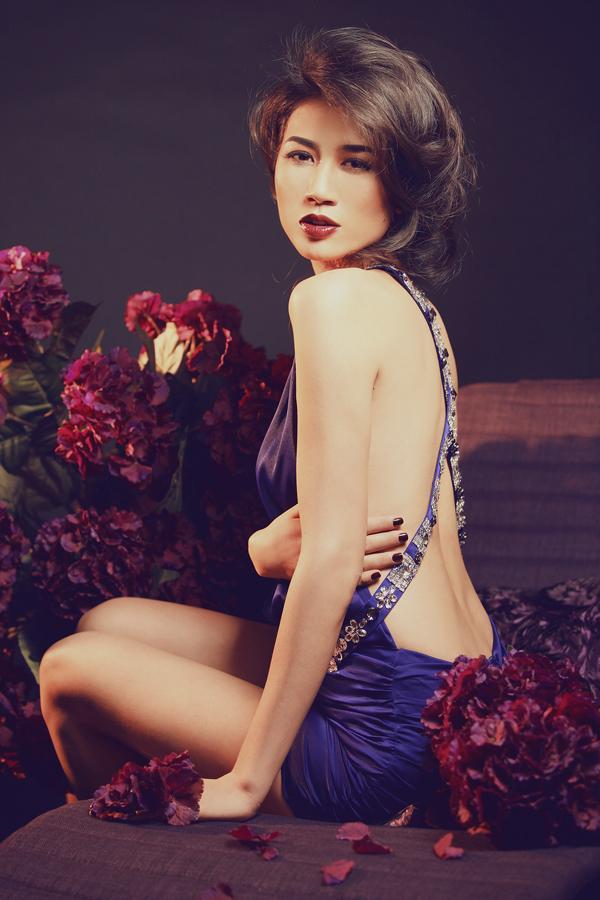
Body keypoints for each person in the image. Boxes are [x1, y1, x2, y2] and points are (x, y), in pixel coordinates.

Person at [39, 24, 507, 825]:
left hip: (381, 729)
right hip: (455, 691)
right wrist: (265, 550)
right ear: (274, 171)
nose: (320, 187)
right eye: (301, 155)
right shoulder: (412, 308)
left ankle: (136, 858)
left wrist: (249, 778)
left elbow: (333, 558)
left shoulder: (331, 301)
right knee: (108, 622)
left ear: (399, 183)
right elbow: (372, 527)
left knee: (67, 670)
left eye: (355, 161)